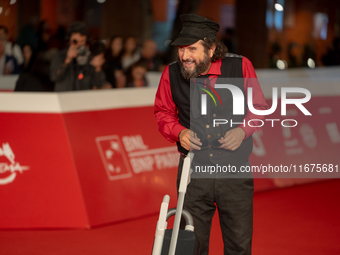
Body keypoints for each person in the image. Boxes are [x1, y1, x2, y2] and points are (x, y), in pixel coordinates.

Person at [154, 14, 269, 255]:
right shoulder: (172, 73)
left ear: (211, 49)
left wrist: (243, 131)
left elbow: (258, 107)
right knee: (191, 246)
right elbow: (163, 112)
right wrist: (179, 131)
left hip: (234, 174)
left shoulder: (240, 66)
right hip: (193, 173)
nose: (185, 56)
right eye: (181, 49)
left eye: (192, 49)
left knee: (238, 246)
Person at [50, 22, 105, 91]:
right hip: (63, 98)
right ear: (69, 40)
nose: (78, 45)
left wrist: (98, 67)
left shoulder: (88, 57)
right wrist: (67, 61)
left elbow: (98, 84)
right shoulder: (60, 55)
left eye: (82, 41)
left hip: (82, 98)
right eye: (75, 41)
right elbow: (54, 77)